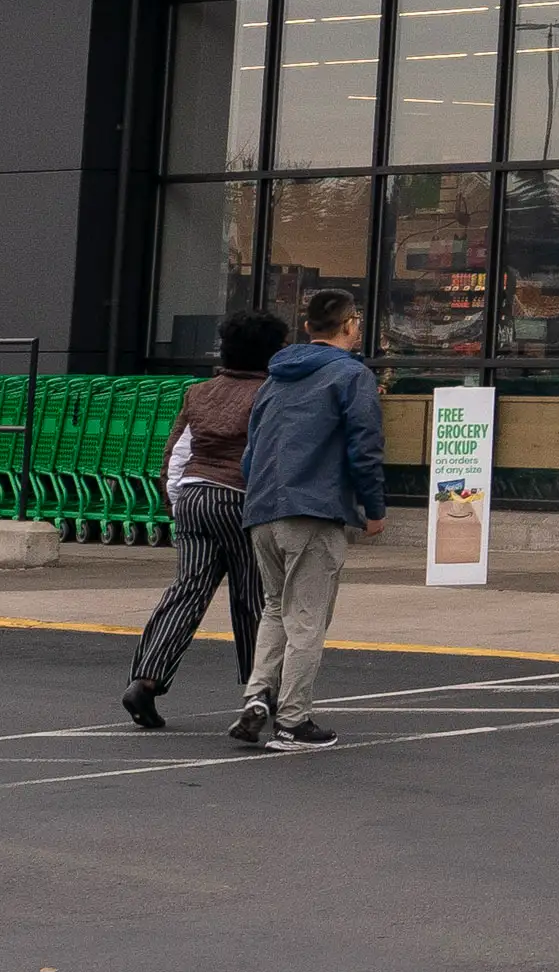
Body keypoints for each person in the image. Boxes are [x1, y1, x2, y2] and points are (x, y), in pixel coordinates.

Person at [230, 286, 383, 748]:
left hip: (263, 507)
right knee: (308, 617)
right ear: (350, 324)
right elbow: (365, 445)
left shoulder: (275, 378)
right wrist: (373, 508)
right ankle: (293, 720)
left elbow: (251, 451)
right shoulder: (350, 376)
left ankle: (258, 696)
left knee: (275, 608)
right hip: (314, 507)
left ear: (308, 328)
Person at [120, 311, 285, 730]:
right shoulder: (269, 393)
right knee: (254, 600)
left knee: (187, 591)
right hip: (241, 501)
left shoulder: (200, 392)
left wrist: (176, 503)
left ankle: (146, 679)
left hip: (194, 496)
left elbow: (175, 454)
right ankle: (259, 694)